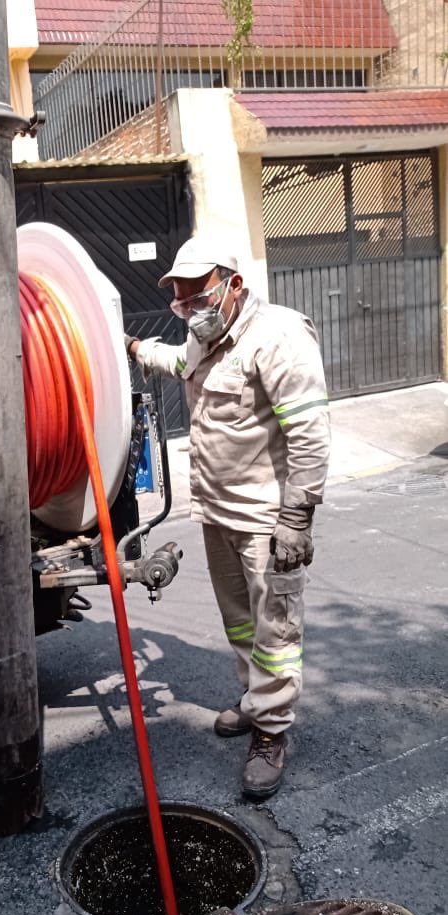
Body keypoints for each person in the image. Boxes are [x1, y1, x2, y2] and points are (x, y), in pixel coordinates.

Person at [125, 233, 331, 799]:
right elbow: (177, 360)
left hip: (267, 519)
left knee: (275, 628)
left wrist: (296, 518)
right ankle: (254, 696)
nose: (190, 312)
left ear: (233, 285)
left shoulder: (279, 337)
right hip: (216, 511)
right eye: (181, 303)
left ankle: (271, 731)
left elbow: (310, 436)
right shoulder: (202, 335)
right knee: (240, 620)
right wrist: (135, 347)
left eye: (199, 298)